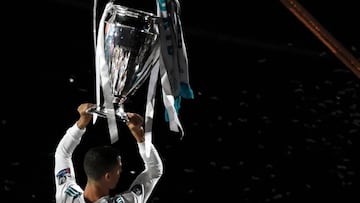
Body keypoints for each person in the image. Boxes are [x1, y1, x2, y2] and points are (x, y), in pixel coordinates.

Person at [54, 103, 163, 203]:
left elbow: (62, 154)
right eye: (118, 169)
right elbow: (155, 171)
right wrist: (139, 135)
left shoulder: (66, 196)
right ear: (108, 176)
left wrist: (81, 122)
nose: (121, 171)